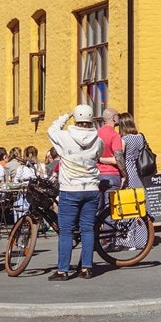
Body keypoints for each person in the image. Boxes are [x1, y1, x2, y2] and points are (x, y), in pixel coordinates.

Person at [47, 104, 105, 280]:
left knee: (66, 231)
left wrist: (66, 115)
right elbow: (98, 156)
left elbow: (52, 129)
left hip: (70, 189)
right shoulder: (98, 140)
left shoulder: (65, 138)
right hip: (91, 188)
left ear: (76, 120)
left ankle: (63, 270)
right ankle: (86, 268)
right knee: (87, 229)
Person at [96, 107, 125, 193]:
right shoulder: (115, 135)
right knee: (110, 205)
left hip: (97, 174)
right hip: (112, 174)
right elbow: (118, 158)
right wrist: (124, 175)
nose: (119, 118)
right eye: (118, 116)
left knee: (100, 205)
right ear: (113, 118)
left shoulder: (96, 133)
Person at [120, 115, 150, 190]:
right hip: (139, 168)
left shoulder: (124, 139)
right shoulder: (140, 136)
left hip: (128, 168)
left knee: (130, 193)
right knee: (140, 191)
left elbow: (120, 157)